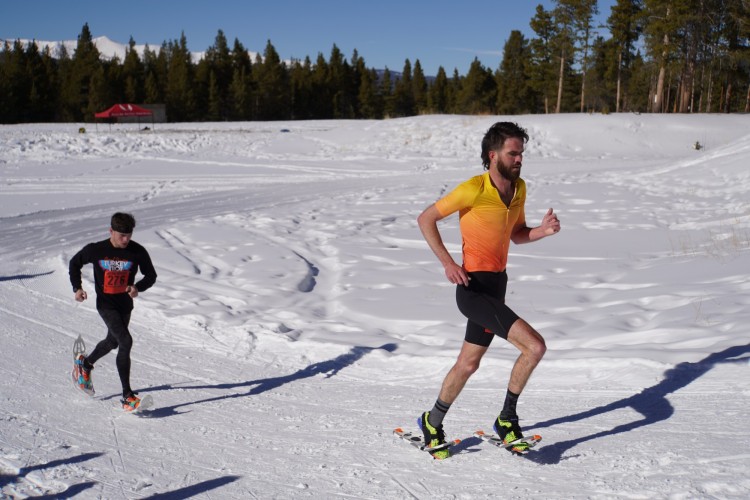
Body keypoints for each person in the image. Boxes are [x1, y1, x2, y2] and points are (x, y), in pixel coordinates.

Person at [415, 122, 560, 458]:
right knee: (534, 347)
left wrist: (543, 231)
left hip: (497, 286)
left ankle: (431, 421)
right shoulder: (473, 189)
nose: (519, 159)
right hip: (473, 288)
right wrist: (448, 264)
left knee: (468, 363)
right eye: (513, 153)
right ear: (493, 155)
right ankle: (507, 420)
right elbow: (425, 219)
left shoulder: (519, 188)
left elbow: (518, 233)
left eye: (521, 153)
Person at [69, 212, 157, 411]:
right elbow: (74, 264)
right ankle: (127, 396)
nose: (125, 240)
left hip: (125, 306)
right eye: (121, 235)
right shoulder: (97, 249)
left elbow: (151, 275)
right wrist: (78, 288)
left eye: (129, 235)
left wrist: (138, 287)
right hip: (106, 305)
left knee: (113, 341)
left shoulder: (137, 251)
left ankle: (85, 364)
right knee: (125, 341)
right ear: (111, 231)